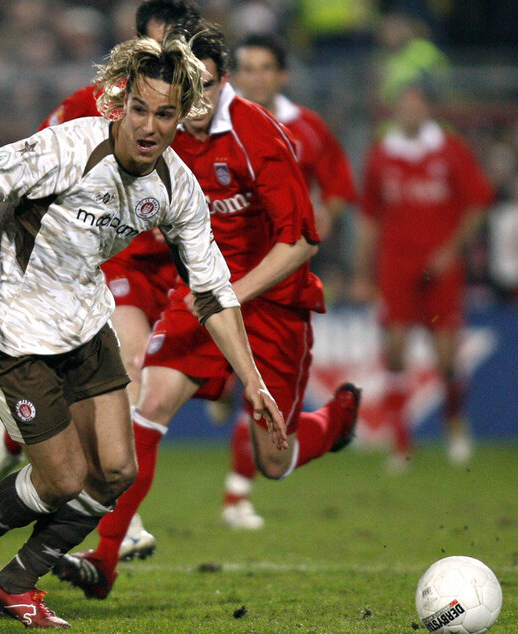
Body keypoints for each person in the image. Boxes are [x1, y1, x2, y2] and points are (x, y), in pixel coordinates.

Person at [0, 34, 285, 628]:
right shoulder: (69, 147)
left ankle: (15, 582)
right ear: (121, 102)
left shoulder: (176, 187)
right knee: (62, 478)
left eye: (165, 114)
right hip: (9, 324)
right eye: (139, 108)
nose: (148, 126)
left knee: (116, 471)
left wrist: (254, 382)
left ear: (181, 116)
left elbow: (213, 290)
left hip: (83, 324)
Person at [53, 23, 360, 601]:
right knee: (151, 402)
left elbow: (301, 243)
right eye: (190, 91)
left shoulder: (259, 136)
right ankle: (106, 557)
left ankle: (334, 421)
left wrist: (231, 294)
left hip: (271, 306)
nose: (196, 106)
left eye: (210, 89)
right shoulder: (164, 131)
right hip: (196, 299)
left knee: (273, 458)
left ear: (226, 84)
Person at [0, 0, 205, 563]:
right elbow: (36, 180)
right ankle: (113, 512)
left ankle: (19, 454)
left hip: (164, 260)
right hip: (105, 262)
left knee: (94, 428)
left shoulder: (203, 111)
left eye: (186, 44)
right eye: (162, 41)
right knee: (125, 362)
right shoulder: (88, 110)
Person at [214, 31, 359, 529]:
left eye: (264, 68)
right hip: (221, 278)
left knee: (259, 412)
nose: (255, 77)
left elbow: (337, 192)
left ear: (282, 75)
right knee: (211, 389)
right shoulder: (212, 128)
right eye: (246, 68)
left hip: (277, 284)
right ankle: (232, 498)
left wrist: (307, 234)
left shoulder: (308, 129)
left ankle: (239, 492)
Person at [353, 81, 494, 471]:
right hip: (396, 266)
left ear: (429, 110)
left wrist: (451, 250)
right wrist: (363, 272)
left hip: (441, 267)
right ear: (396, 110)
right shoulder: (381, 155)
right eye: (404, 105)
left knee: (447, 356)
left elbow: (478, 203)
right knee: (395, 351)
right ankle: (402, 445)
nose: (410, 112)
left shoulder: (450, 151)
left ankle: (455, 424)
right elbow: (369, 217)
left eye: (417, 105)